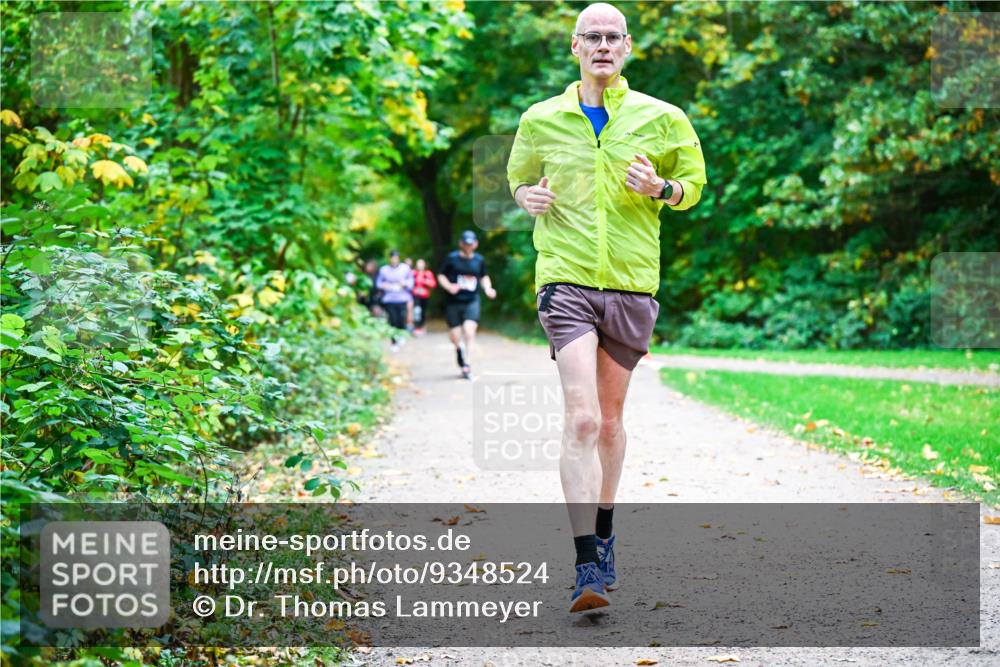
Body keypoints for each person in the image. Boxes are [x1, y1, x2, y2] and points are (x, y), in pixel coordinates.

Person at [506, 2, 707, 613]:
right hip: (564, 280)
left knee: (612, 424)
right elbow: (517, 180)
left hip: (630, 283)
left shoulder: (663, 118)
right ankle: (585, 563)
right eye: (590, 36)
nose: (601, 45)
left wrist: (661, 190)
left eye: (611, 36)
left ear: (627, 46)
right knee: (584, 419)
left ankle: (607, 527)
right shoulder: (541, 119)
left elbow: (693, 187)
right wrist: (528, 196)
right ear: (574, 47)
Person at [437, 230, 496, 379]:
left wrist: (488, 288)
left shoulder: (479, 260)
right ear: (461, 244)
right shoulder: (452, 258)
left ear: (475, 244)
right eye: (465, 244)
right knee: (455, 336)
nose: (468, 246)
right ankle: (459, 349)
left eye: (471, 244)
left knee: (469, 332)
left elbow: (484, 276)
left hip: (472, 300)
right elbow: (441, 275)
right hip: (453, 302)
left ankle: (467, 365)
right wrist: (449, 286)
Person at [375, 250, 414, 349]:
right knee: (392, 319)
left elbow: (411, 282)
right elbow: (378, 283)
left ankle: (401, 335)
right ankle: (394, 341)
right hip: (389, 299)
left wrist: (404, 283)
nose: (394, 260)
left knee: (401, 318)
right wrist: (385, 285)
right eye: (392, 258)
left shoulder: (405, 268)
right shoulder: (384, 270)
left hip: (402, 298)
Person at [411, 258, 437, 335]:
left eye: (421, 263)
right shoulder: (413, 273)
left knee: (423, 311)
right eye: (418, 263)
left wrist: (424, 281)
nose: (420, 265)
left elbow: (433, 284)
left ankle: (422, 327)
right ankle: (417, 327)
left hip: (424, 296)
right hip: (415, 296)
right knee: (416, 311)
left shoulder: (428, 273)